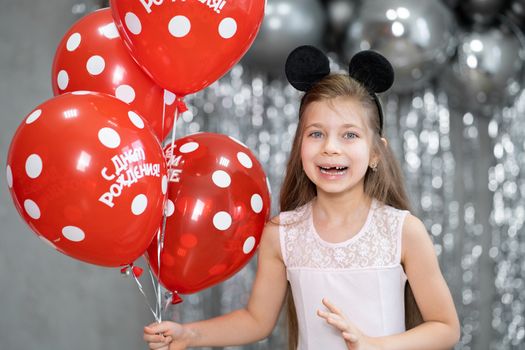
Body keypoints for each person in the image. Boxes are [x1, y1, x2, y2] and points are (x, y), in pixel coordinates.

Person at [143, 46, 460, 350]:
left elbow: (445, 328)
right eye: (316, 134)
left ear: (376, 153)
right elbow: (256, 320)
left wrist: (374, 345)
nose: (330, 147)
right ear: (299, 147)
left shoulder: (403, 231)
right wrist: (188, 334)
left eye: (349, 134)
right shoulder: (282, 233)